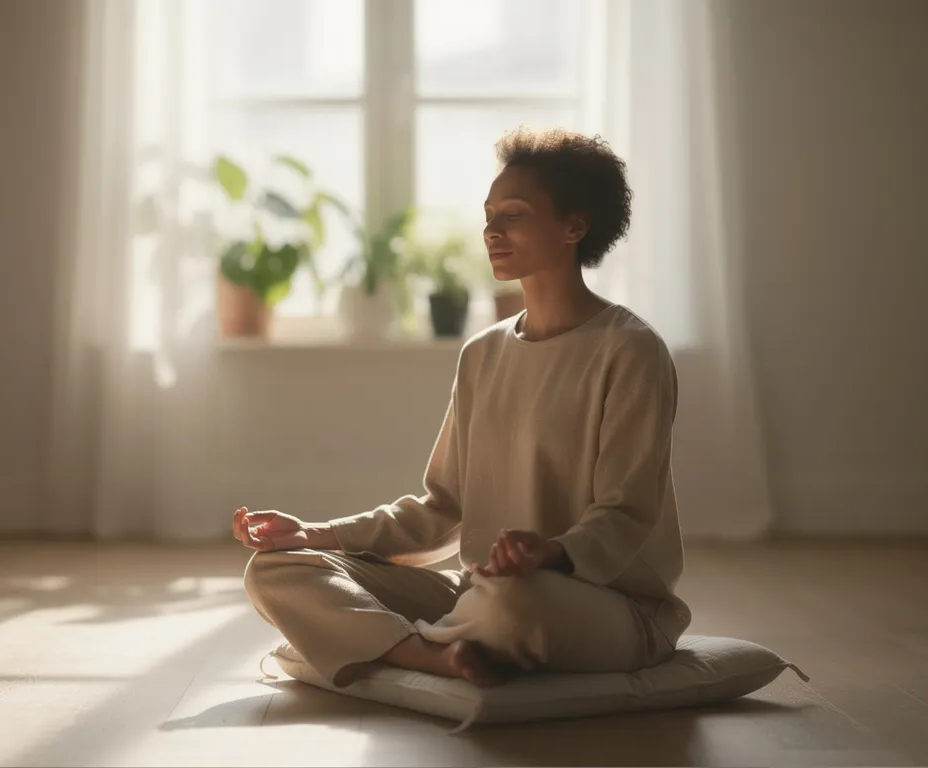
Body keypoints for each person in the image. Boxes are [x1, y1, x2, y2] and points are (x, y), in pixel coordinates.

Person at [232, 126, 691, 689]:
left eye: (514, 215)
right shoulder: (482, 353)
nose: (491, 231)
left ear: (575, 226)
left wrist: (547, 553)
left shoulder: (631, 350)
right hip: (478, 594)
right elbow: (442, 508)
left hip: (598, 605)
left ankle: (398, 640)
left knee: (510, 604)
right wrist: (314, 533)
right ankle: (432, 657)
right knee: (276, 571)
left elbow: (624, 516)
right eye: (489, 214)